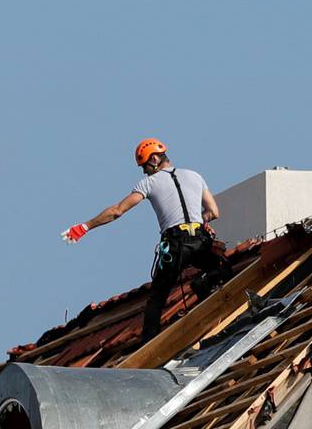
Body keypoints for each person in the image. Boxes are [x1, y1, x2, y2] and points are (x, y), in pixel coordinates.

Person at [62, 138, 233, 343]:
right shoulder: (195, 176)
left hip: (176, 245)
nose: (144, 171)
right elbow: (214, 212)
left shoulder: (149, 183)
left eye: (144, 166)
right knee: (222, 269)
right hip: (200, 241)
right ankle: (204, 284)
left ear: (153, 158)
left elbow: (117, 211)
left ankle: (149, 344)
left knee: (156, 300)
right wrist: (201, 220)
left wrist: (85, 226)